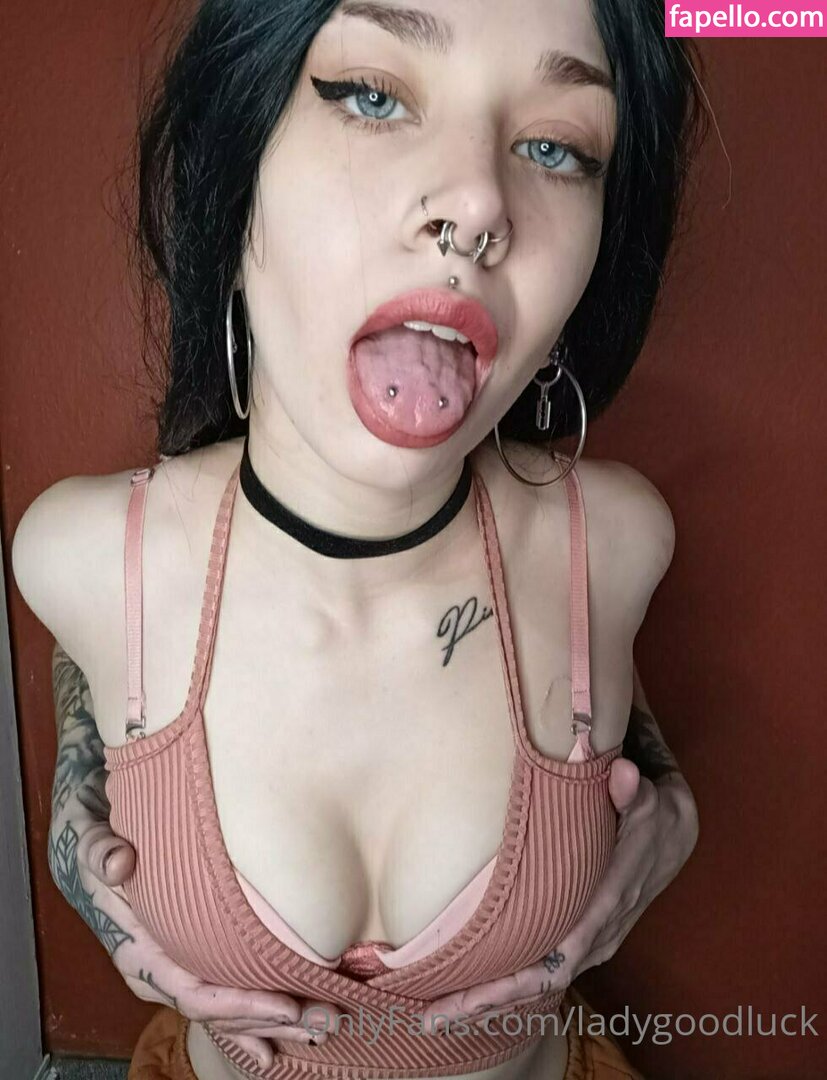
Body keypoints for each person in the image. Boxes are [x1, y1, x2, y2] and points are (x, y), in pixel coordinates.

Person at [12, 1, 707, 1077]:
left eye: (555, 147)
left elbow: (589, 646)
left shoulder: (617, 539)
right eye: (372, 96)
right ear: (232, 175)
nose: (478, 204)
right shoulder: (77, 552)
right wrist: (79, 801)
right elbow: (94, 645)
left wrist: (664, 794)